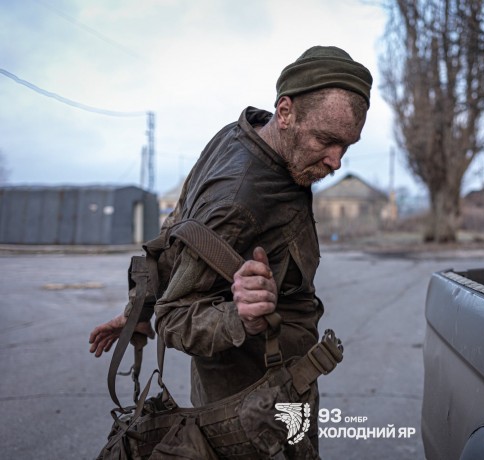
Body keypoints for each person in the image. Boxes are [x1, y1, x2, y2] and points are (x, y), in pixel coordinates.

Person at [88, 45, 372, 456]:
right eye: (326, 140)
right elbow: (175, 317)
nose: (336, 162)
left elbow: (175, 233)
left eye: (347, 145)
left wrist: (139, 307)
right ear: (286, 112)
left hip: (274, 388)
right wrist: (240, 317)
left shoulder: (243, 134)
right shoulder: (240, 201)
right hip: (252, 412)